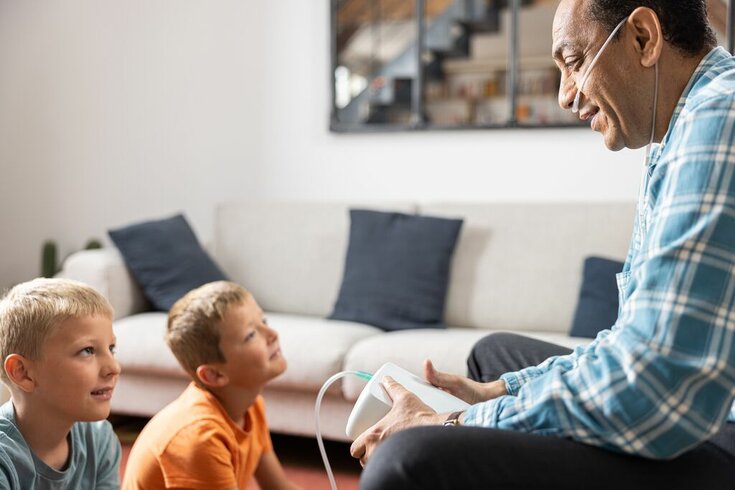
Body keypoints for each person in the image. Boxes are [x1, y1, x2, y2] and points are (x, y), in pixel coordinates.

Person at [351, 1, 735, 488]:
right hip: (697, 408)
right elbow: (631, 341)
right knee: (494, 357)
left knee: (405, 460)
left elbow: (654, 383)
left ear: (643, 37)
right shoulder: (676, 132)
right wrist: (499, 392)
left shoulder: (718, 119)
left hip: (718, 433)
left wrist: (455, 424)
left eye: (574, 63)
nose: (565, 96)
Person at [122, 281, 301, 490]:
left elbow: (278, 487)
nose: (272, 334)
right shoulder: (201, 438)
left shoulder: (251, 407)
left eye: (264, 320)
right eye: (251, 335)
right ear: (214, 374)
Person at [0, 278, 122, 489]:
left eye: (111, 349)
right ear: (23, 373)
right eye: (87, 351)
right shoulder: (4, 459)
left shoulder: (99, 439)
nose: (114, 368)